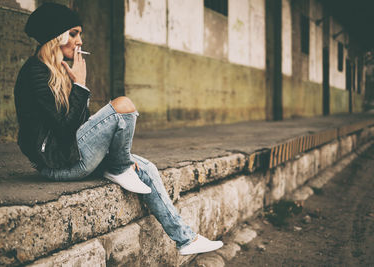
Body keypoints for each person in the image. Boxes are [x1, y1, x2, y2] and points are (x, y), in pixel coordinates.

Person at [14, 3, 223, 256]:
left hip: (69, 155)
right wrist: (79, 86)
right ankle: (119, 166)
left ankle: (185, 240)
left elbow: (79, 125)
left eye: (80, 33)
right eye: (73, 33)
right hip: (57, 165)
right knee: (123, 106)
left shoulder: (58, 71)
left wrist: (78, 86)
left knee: (147, 168)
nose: (79, 41)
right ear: (54, 37)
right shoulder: (35, 73)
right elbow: (62, 130)